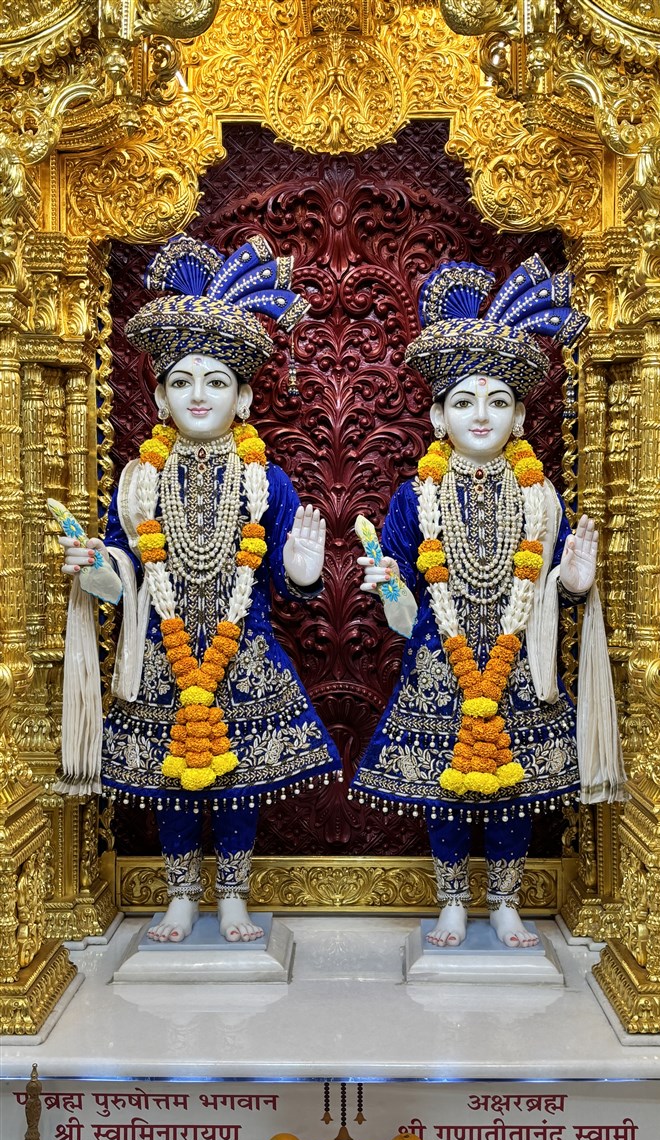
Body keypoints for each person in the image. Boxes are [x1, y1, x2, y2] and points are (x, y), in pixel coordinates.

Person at [58, 233, 341, 945]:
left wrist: (302, 572)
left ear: (242, 396)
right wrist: (94, 566)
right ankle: (183, 895)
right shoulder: (139, 479)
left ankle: (235, 896)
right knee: (173, 783)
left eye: (216, 382)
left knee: (239, 782)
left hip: (243, 654)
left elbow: (285, 579)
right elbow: (124, 577)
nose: (199, 395)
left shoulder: (265, 479)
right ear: (159, 395)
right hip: (164, 653)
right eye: (182, 382)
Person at [352, 255, 624, 948]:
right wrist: (388, 584)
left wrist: (573, 584)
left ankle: (503, 902)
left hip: (518, 662)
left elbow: (552, 585)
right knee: (446, 787)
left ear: (521, 415)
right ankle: (450, 901)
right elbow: (403, 599)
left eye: (498, 401)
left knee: (515, 789)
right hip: (440, 661)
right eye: (464, 402)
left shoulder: (541, 496)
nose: (481, 415)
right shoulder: (416, 495)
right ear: (438, 414)